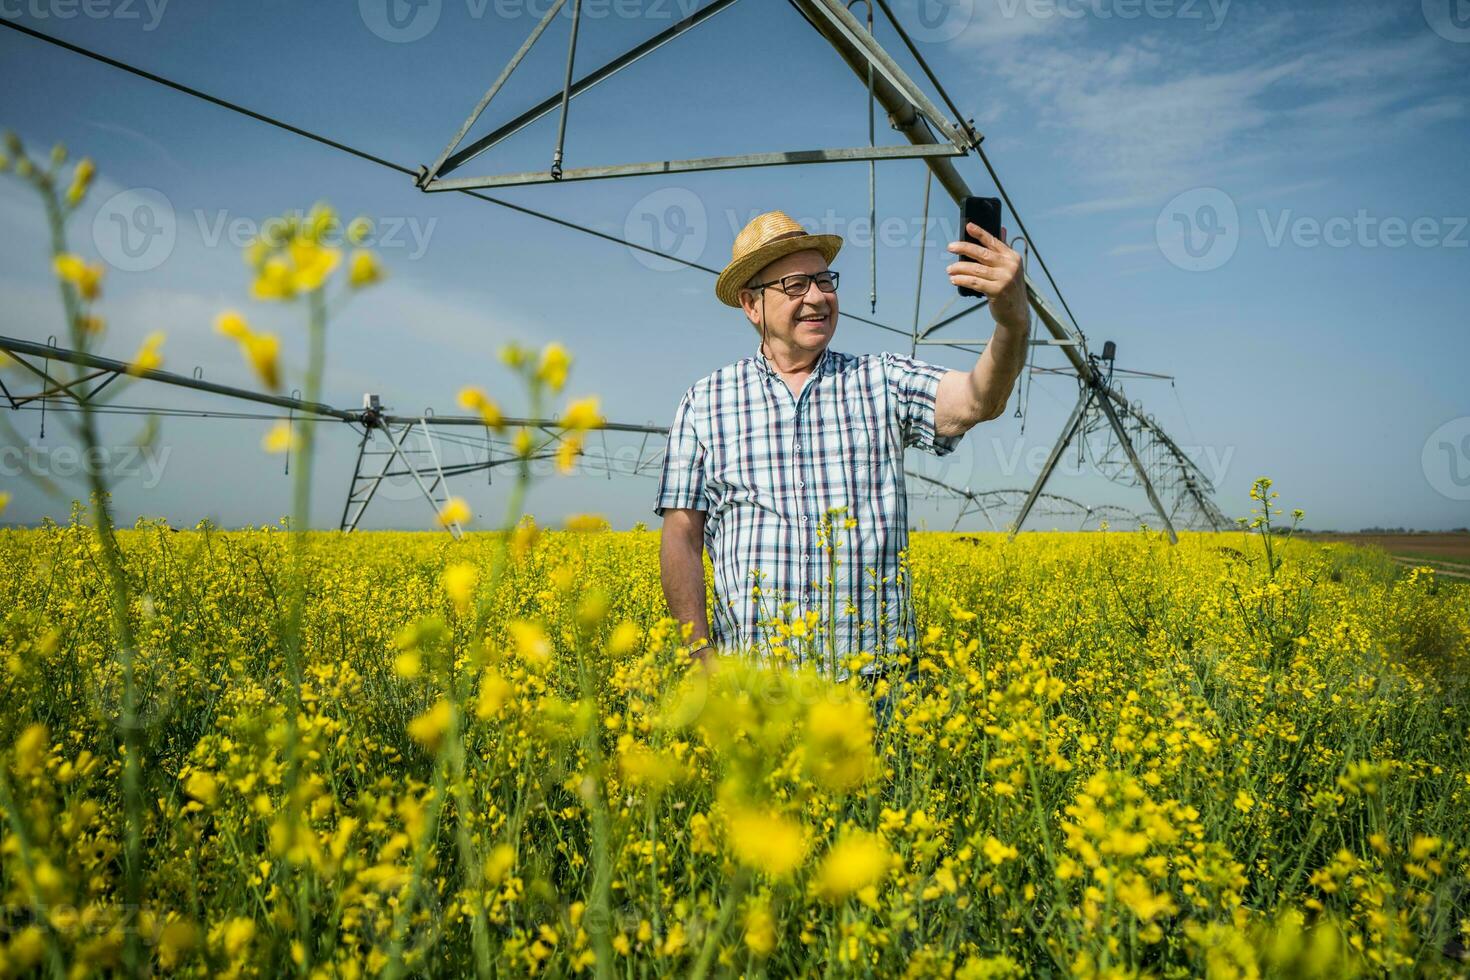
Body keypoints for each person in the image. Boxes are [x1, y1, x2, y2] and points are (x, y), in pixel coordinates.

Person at [654, 209, 1030, 706]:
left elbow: (981, 400)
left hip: (878, 687)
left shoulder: (881, 380)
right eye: (794, 284)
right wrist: (698, 658)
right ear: (751, 304)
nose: (816, 297)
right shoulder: (705, 401)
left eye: (824, 280)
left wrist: (1012, 321)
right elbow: (681, 535)